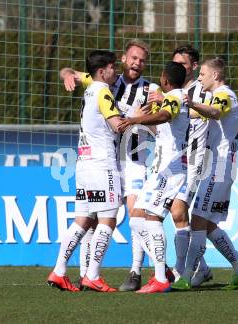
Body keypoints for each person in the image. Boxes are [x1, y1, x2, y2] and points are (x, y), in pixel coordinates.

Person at [59, 40, 162, 291]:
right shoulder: (105, 83)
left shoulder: (151, 90)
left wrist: (143, 117)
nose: (137, 62)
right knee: (94, 218)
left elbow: (158, 127)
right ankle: (87, 273)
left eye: (142, 60)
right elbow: (70, 71)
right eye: (133, 58)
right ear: (124, 60)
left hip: (134, 161)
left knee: (136, 217)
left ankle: (137, 270)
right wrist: (66, 75)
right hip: (106, 161)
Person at [171, 57, 238, 291]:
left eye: (203, 74)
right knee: (206, 224)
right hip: (217, 166)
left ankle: (187, 276)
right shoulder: (218, 97)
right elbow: (200, 114)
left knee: (197, 220)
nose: (199, 78)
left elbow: (215, 112)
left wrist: (193, 104)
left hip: (219, 167)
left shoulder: (224, 94)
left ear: (215, 76)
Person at [47, 50, 121, 292]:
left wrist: (67, 72)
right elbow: (118, 125)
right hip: (102, 163)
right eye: (113, 67)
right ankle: (92, 275)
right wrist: (144, 117)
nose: (116, 70)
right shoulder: (103, 91)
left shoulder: (90, 89)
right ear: (102, 71)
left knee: (82, 220)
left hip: (84, 163)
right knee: (108, 220)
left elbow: (69, 73)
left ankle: (59, 271)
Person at [118, 61, 189, 293]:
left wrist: (135, 119)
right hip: (161, 169)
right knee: (137, 218)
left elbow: (165, 116)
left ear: (164, 79)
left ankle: (160, 278)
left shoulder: (174, 98)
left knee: (152, 219)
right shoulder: (176, 97)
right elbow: (165, 129)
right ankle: (163, 271)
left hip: (170, 171)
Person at [148, 44, 213, 286]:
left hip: (195, 161)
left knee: (176, 213)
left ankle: (180, 269)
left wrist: (168, 104)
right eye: (174, 63)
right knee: (176, 214)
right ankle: (198, 267)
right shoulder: (171, 93)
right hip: (172, 162)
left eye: (183, 64)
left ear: (193, 67)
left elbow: (207, 113)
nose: (178, 67)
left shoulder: (200, 90)